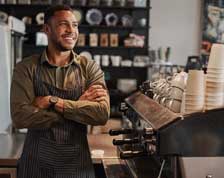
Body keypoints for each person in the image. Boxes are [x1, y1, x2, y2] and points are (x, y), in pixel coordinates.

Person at [10, 5, 110, 178]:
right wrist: (78, 106)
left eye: (75, 25)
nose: (71, 30)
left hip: (77, 167)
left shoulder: (89, 68)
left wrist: (51, 101)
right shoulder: (26, 68)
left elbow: (101, 115)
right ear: (46, 29)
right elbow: (19, 117)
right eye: (64, 24)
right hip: (36, 166)